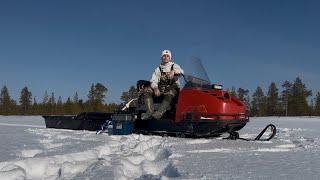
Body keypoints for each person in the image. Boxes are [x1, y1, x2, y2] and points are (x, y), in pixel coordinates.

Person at [141, 50, 184, 120]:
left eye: (167, 56)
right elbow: (153, 80)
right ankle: (149, 111)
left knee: (171, 92)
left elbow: (182, 71)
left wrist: (174, 71)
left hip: (172, 90)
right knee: (147, 90)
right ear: (161, 57)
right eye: (164, 56)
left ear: (170, 58)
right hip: (161, 89)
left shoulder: (174, 66)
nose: (166, 57)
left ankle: (159, 113)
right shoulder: (158, 69)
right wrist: (155, 88)